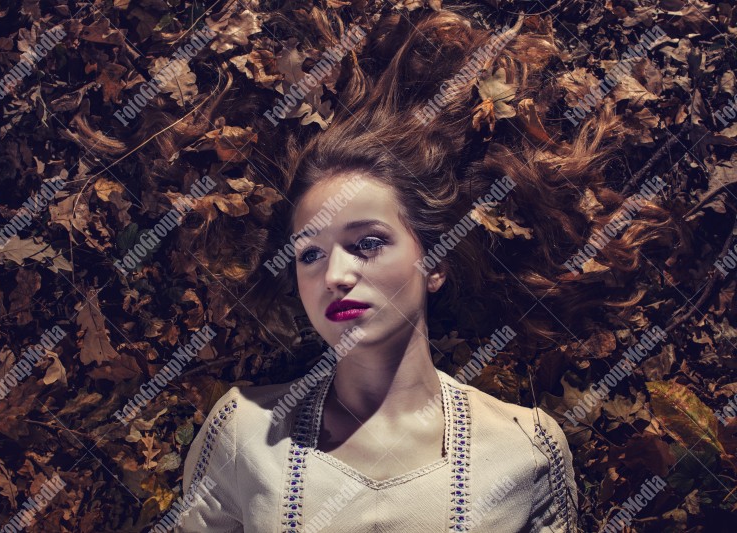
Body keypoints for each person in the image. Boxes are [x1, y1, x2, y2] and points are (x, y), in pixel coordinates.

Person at [173, 7, 680, 533]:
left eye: (367, 242)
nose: (336, 276)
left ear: (433, 262)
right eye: (310, 253)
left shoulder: (523, 447)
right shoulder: (243, 434)